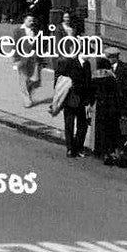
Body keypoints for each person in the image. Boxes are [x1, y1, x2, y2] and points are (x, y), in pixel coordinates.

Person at [51, 27, 90, 157]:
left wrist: (88, 100)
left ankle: (78, 147)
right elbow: (58, 79)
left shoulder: (87, 65)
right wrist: (58, 94)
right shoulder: (67, 62)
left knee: (82, 125)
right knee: (69, 124)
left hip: (82, 99)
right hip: (70, 99)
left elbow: (88, 83)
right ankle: (70, 148)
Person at [108, 47, 127, 158]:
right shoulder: (106, 69)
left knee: (125, 126)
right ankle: (113, 149)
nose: (109, 59)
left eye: (111, 57)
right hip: (112, 105)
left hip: (124, 103)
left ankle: (125, 148)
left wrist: (120, 91)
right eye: (108, 57)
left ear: (116, 57)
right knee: (113, 128)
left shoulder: (126, 68)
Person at [12, 14, 42, 108]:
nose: (31, 22)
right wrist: (16, 59)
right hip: (22, 58)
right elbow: (15, 45)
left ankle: (29, 93)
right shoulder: (18, 31)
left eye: (32, 20)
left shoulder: (35, 31)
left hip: (33, 58)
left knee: (35, 79)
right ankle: (26, 99)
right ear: (24, 20)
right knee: (23, 79)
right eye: (29, 20)